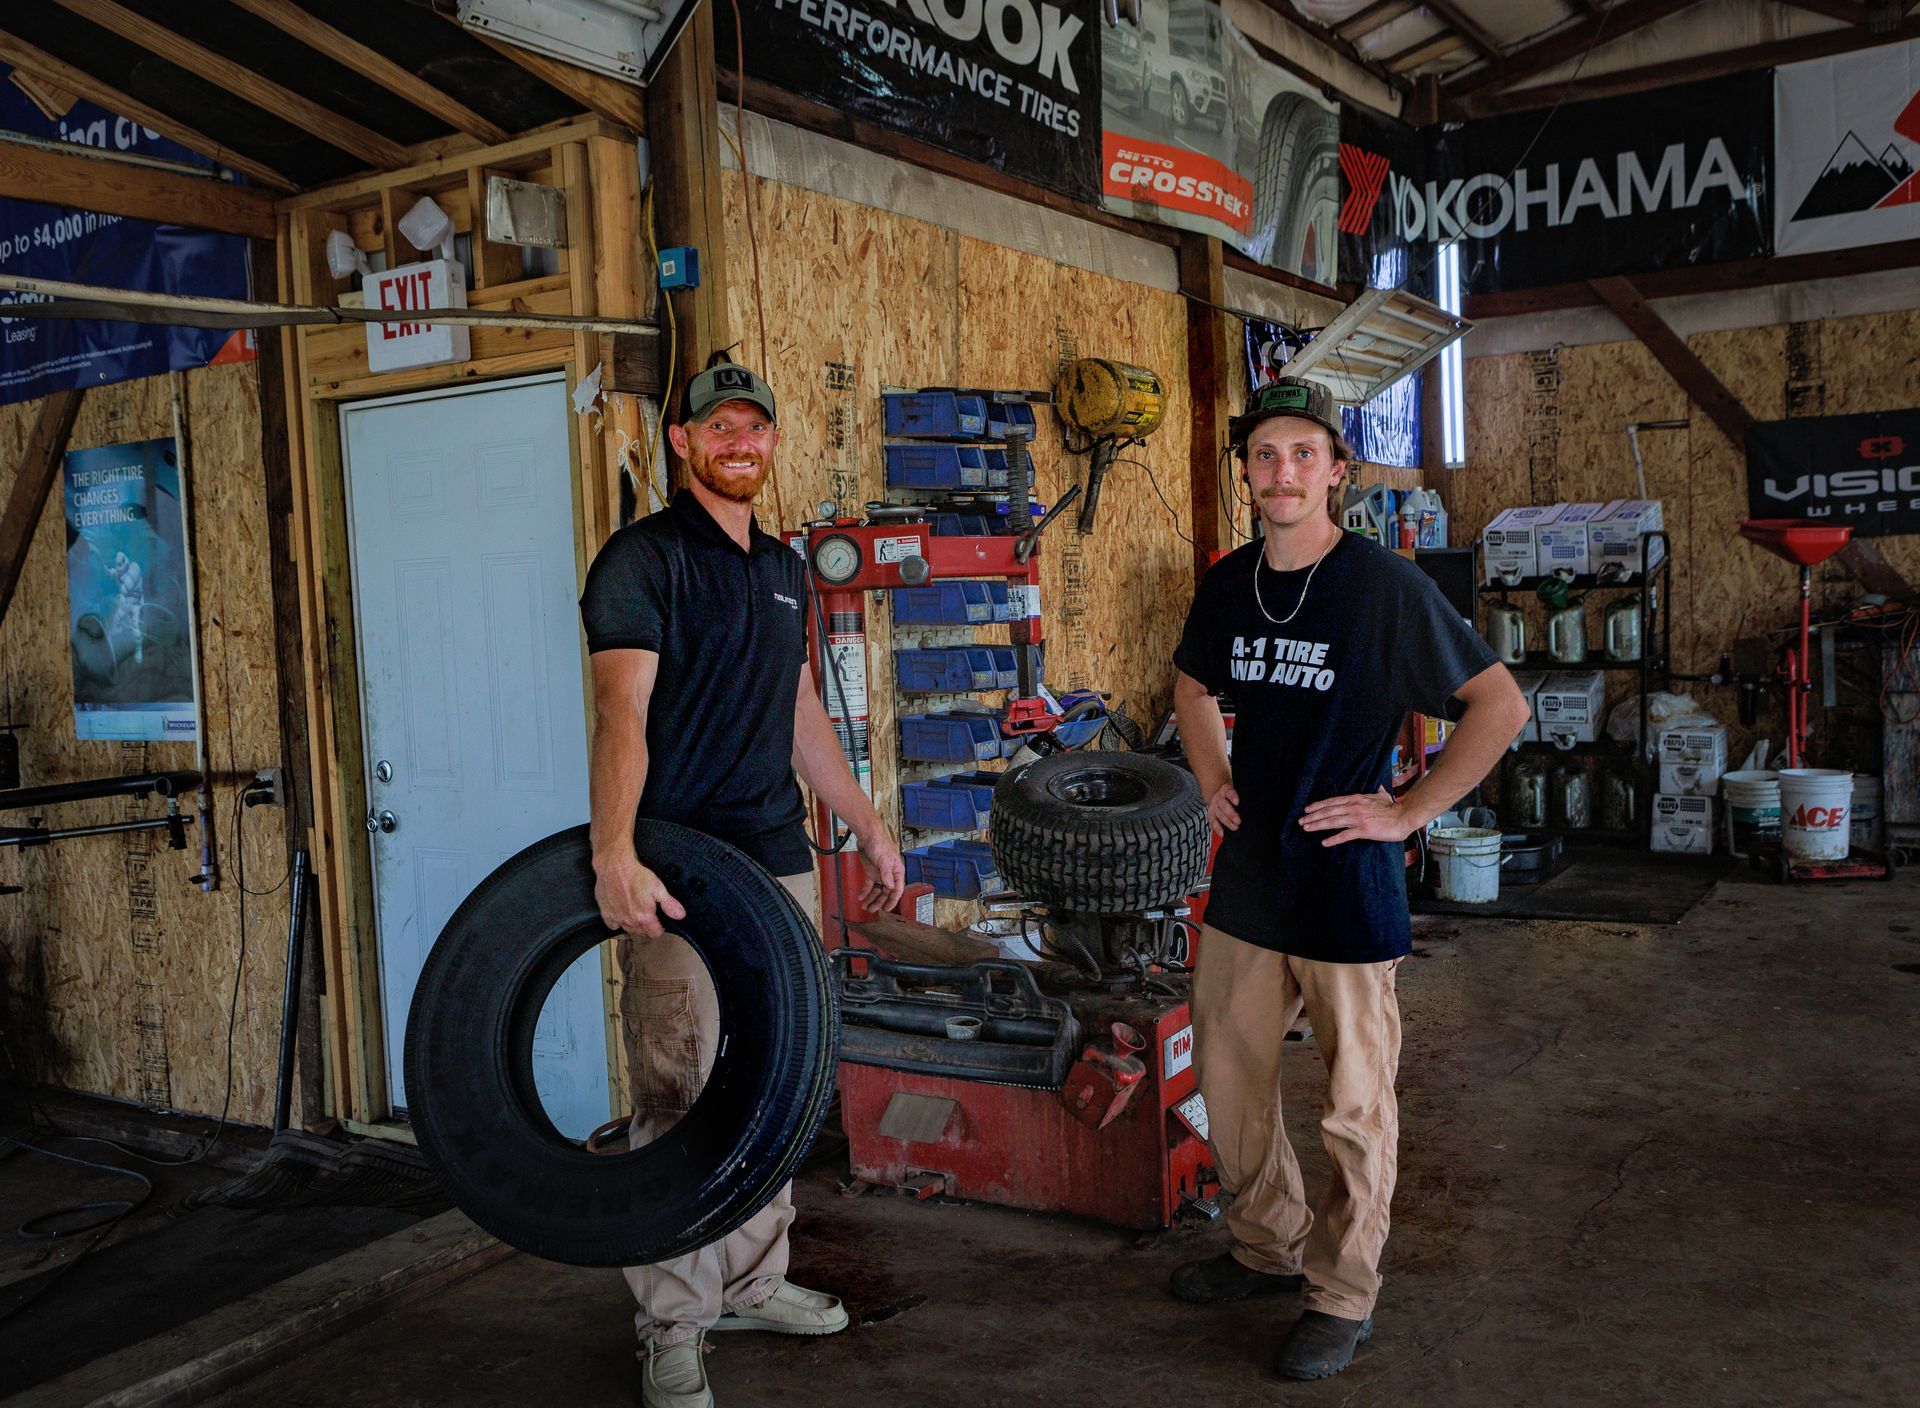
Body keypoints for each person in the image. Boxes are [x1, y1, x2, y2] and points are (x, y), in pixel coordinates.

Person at [1168, 377, 1530, 1381]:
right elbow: (1193, 684)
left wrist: (1410, 807)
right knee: (1230, 1081)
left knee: (1354, 1105)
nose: (1283, 472)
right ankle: (1265, 1245)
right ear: (1245, 473)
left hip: (1344, 877)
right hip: (1249, 877)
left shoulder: (1383, 586)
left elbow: (1498, 706)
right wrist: (1211, 776)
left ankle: (1341, 1293)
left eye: (1303, 454)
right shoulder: (1230, 581)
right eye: (1265, 454)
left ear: (1336, 471)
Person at [579, 359, 906, 1408]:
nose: (741, 441)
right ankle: (674, 1319)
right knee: (678, 1092)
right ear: (681, 441)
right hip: (679, 869)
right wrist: (613, 852)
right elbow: (619, 714)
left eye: (755, 427)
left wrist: (863, 820)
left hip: (777, 863)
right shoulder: (641, 559)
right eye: (720, 425)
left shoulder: (783, 566)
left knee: (775, 1085)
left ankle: (755, 1280)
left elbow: (801, 706)